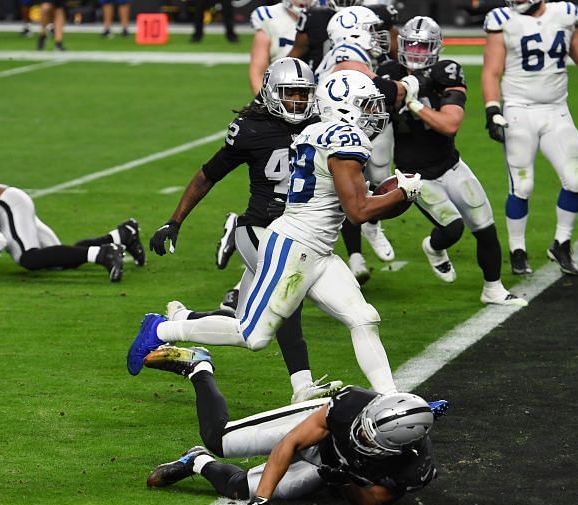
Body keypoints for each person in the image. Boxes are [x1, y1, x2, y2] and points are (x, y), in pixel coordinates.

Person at [129, 70, 422, 396]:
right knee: (251, 335)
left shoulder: (316, 132)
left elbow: (358, 205)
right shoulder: (343, 139)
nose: (373, 113)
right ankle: (162, 328)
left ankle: (391, 397)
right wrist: (403, 192)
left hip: (317, 249)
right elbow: (358, 212)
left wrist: (399, 196)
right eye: (365, 105)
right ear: (344, 107)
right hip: (293, 246)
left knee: (363, 317)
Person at [147, 58, 342, 404]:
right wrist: (174, 221)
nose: (297, 101)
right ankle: (303, 388)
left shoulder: (322, 125)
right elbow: (208, 174)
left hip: (298, 232)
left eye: (303, 93)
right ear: (270, 93)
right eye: (289, 93)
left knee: (243, 321)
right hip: (259, 229)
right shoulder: (252, 129)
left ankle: (178, 319)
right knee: (288, 297)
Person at [140, 346, 437, 505]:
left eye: (368, 438)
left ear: (393, 449)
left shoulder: (413, 468)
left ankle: (196, 461)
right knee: (220, 438)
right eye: (364, 427)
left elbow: (372, 501)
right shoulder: (351, 406)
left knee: (240, 488)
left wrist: (346, 482)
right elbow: (291, 442)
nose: (360, 433)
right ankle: (199, 366)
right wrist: (262, 502)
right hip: (318, 432)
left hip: (332, 467)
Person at [377, 16, 526, 307]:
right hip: (414, 174)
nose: (416, 52)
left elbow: (450, 124)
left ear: (435, 48)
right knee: (452, 229)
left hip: (450, 164)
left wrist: (414, 103)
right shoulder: (387, 73)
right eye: (412, 46)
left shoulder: (446, 72)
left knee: (485, 227)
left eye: (423, 47)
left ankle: (493, 289)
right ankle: (434, 247)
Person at [482, 0, 578, 276]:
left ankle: (561, 243)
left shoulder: (564, 14)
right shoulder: (502, 20)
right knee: (522, 185)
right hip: (518, 110)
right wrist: (492, 108)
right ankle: (518, 249)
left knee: (576, 178)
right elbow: (492, 70)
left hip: (556, 110)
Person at [313, 4, 400, 282]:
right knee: (356, 186)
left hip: (337, 126)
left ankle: (360, 243)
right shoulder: (347, 54)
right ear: (354, 34)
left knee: (351, 189)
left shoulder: (346, 53)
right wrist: (410, 85)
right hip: (343, 127)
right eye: (371, 29)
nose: (378, 35)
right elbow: (383, 91)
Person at [0, 169, 145, 282]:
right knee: (56, 259)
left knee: (28, 258)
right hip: (2, 207)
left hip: (4, 206)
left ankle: (105, 255)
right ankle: (120, 236)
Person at [248, 0, 315, 94]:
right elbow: (258, 73)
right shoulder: (268, 17)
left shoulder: (327, 16)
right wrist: (265, 105)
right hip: (282, 91)